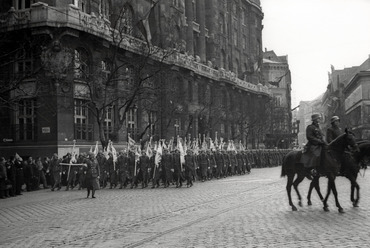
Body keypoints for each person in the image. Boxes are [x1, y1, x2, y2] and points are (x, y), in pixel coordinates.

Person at [301, 114, 327, 178]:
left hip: (320, 144)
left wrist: (323, 141)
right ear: (314, 120)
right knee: (316, 154)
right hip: (313, 144)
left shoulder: (318, 127)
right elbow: (309, 137)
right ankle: (313, 169)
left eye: (319, 118)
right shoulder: (310, 127)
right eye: (318, 118)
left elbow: (321, 136)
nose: (319, 120)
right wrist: (318, 141)